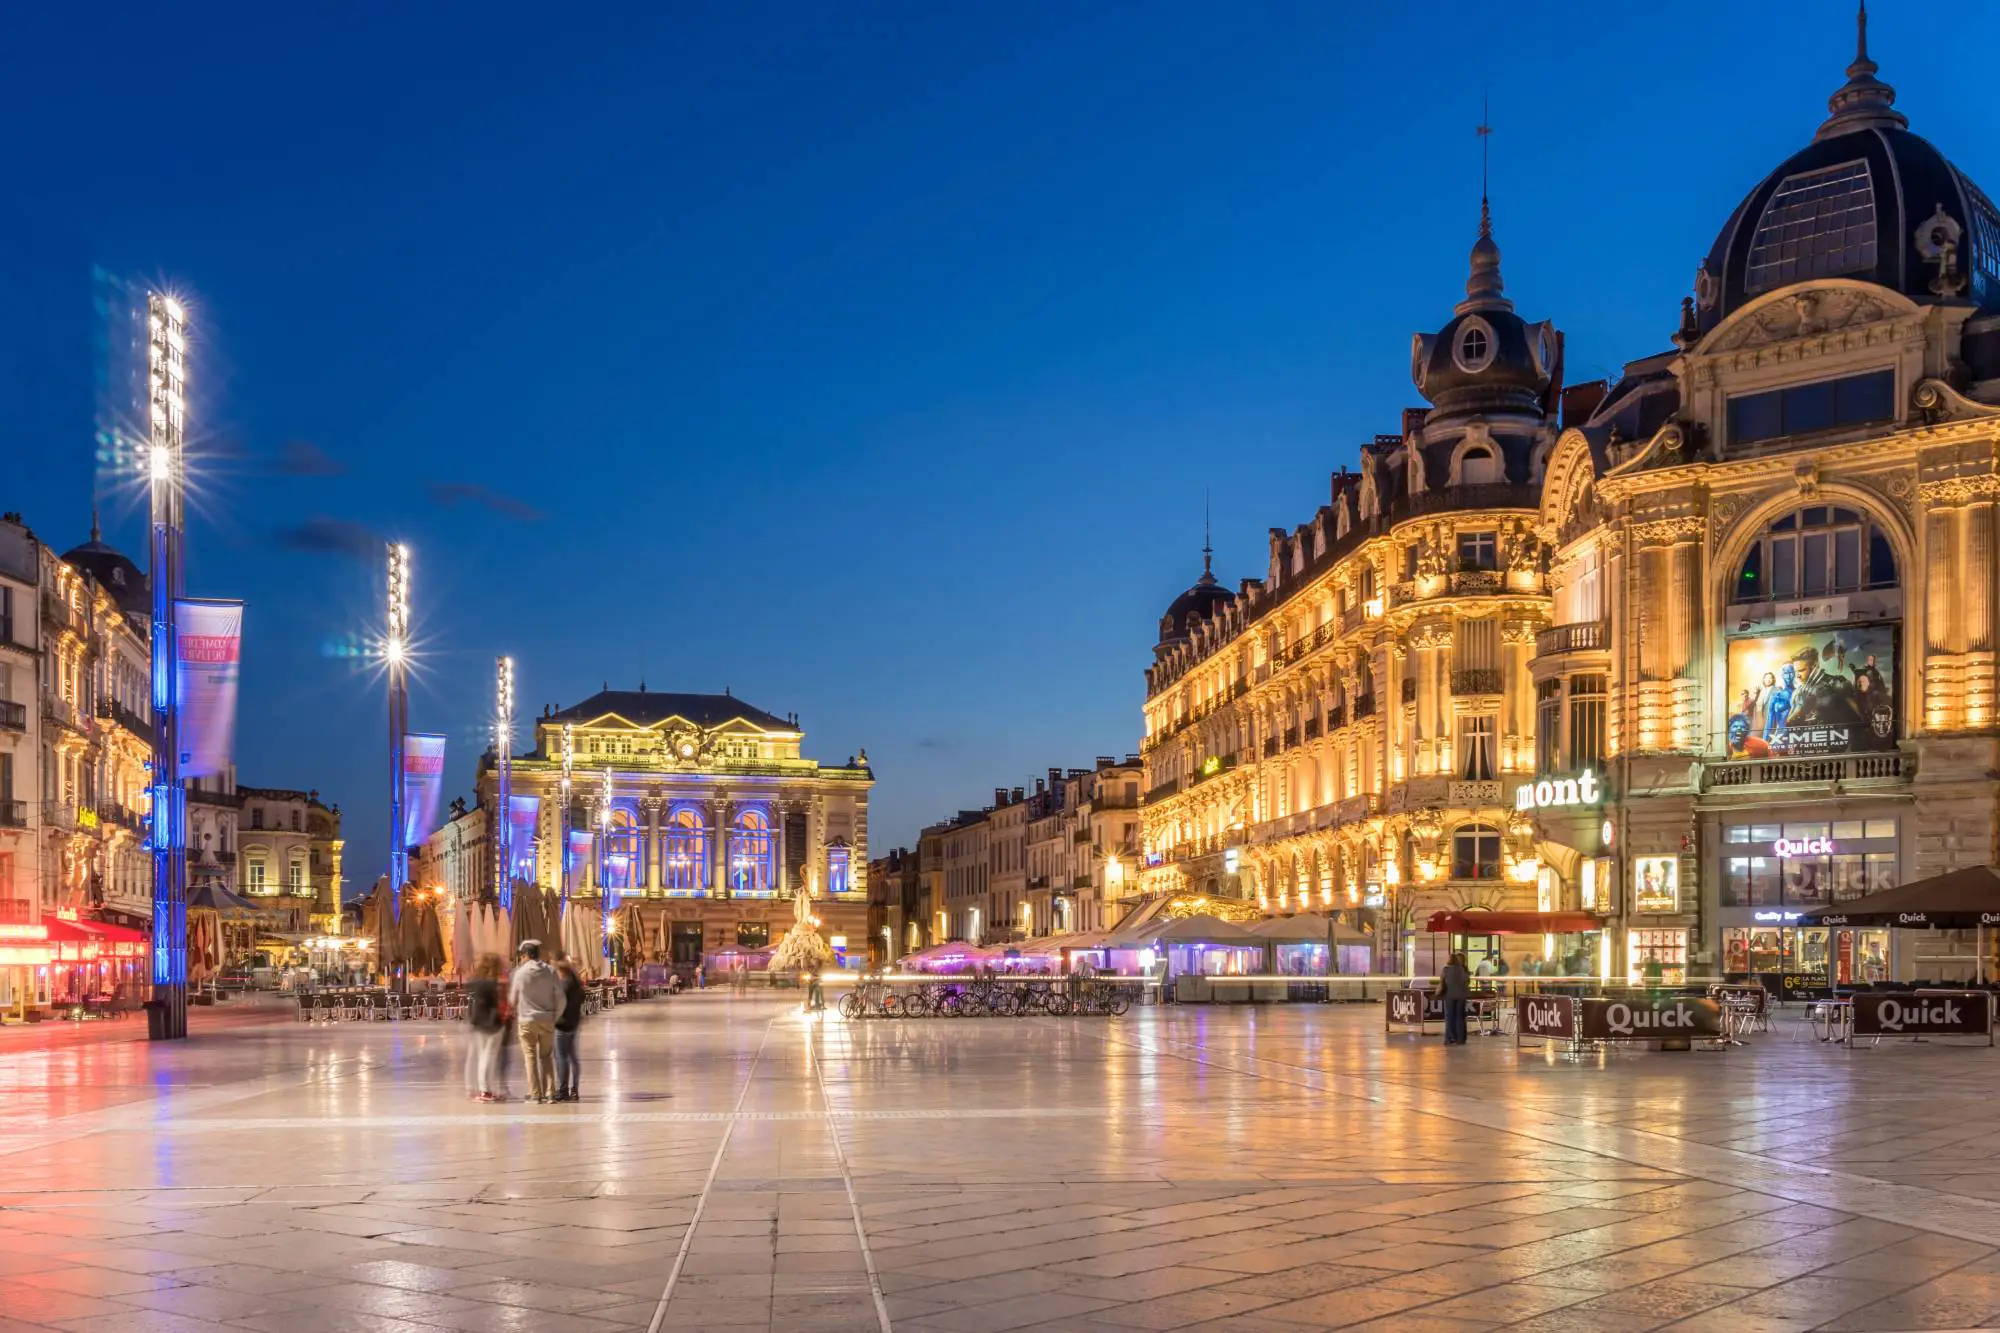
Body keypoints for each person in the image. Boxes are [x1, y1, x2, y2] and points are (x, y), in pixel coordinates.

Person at [509, 940, 564, 1104]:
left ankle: (535, 1094)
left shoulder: (519, 973)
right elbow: (561, 998)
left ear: (525, 955)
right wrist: (556, 1015)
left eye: (521, 956)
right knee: (546, 1057)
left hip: (526, 1020)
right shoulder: (551, 971)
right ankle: (550, 1094)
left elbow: (512, 999)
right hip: (547, 1019)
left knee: (530, 1057)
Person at [464, 954, 507, 1103]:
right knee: (489, 1057)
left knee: (483, 1056)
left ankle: (485, 1089)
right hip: (492, 1022)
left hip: (478, 1022)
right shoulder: (494, 983)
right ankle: (486, 1091)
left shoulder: (474, 982)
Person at [553, 957, 586, 1103]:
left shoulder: (562, 985)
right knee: (573, 1058)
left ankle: (563, 1090)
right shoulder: (577, 985)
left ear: (561, 972)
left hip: (562, 1025)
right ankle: (575, 1089)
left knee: (561, 1057)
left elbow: (557, 1004)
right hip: (574, 1024)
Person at [1439, 951, 1471, 1045]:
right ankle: (1460, 1038)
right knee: (1460, 1017)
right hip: (1461, 996)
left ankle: (1450, 1038)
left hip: (1449, 995)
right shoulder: (1462, 969)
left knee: (1449, 1017)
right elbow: (1466, 980)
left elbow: (1441, 981)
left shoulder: (1446, 969)